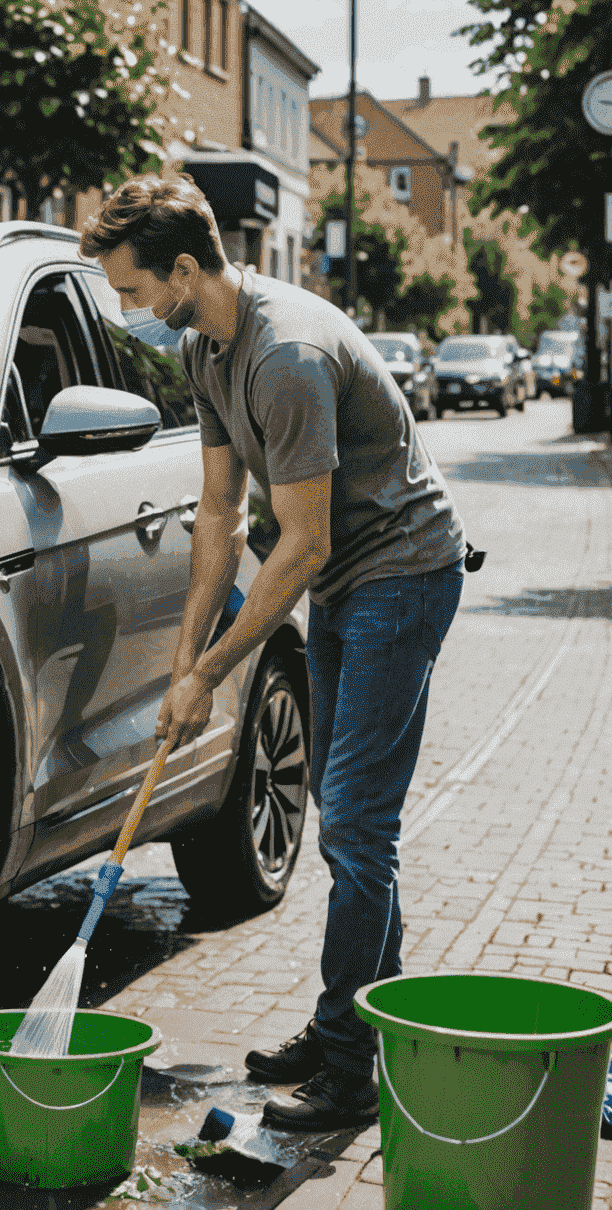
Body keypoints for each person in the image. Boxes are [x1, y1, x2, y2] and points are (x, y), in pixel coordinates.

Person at [83, 175, 466, 1130]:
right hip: (346, 578)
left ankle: (348, 1065)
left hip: (401, 573)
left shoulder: (285, 356)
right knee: (347, 813)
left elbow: (303, 544)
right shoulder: (209, 349)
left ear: (183, 268)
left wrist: (215, 673)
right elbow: (221, 514)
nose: (128, 313)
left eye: (131, 293)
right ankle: (361, 1025)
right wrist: (186, 662)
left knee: (356, 829)